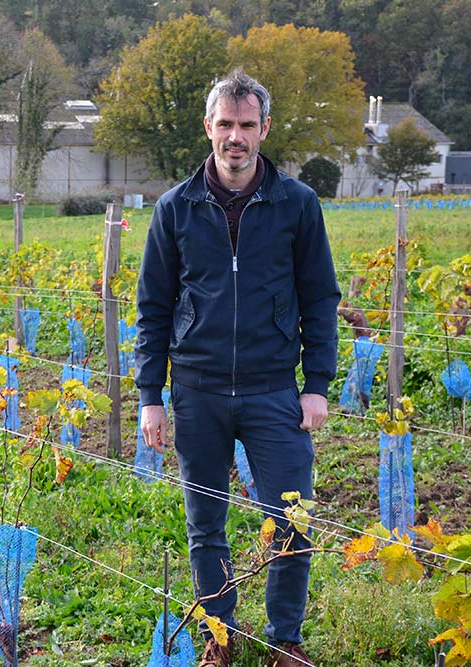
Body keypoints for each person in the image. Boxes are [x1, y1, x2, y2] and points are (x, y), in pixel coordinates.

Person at [134, 69, 340, 667]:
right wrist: (152, 394)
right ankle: (219, 638)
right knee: (206, 525)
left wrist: (317, 386)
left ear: (264, 129)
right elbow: (153, 307)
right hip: (196, 390)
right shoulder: (175, 209)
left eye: (247, 125)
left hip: (274, 389)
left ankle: (285, 640)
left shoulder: (297, 204)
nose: (235, 137)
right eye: (225, 124)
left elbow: (320, 297)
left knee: (292, 519)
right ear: (208, 128)